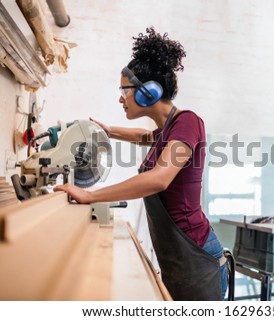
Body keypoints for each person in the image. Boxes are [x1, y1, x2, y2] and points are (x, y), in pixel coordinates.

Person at [54, 27, 228, 301]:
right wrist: (107, 130)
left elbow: (159, 178)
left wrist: (90, 195)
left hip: (197, 255)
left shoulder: (188, 122)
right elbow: (145, 136)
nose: (120, 98)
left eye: (124, 90)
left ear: (149, 92)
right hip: (179, 256)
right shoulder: (168, 129)